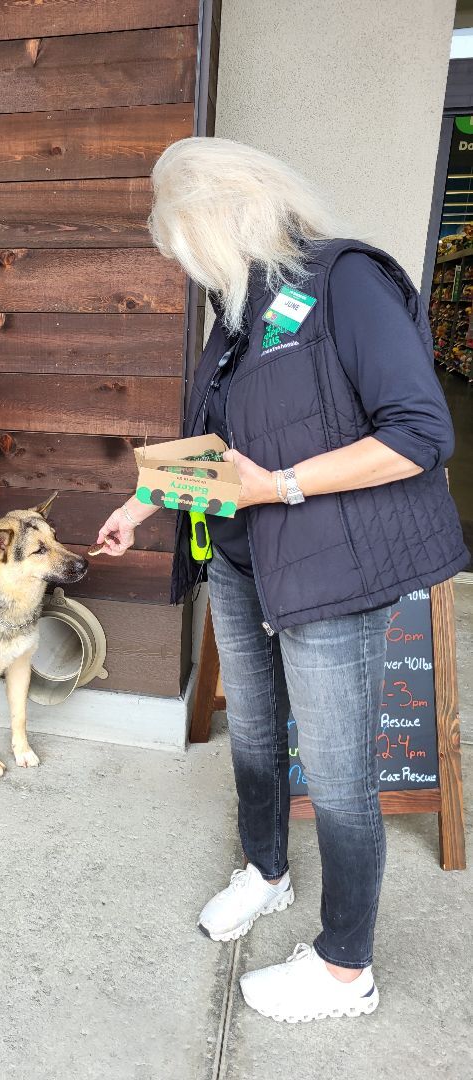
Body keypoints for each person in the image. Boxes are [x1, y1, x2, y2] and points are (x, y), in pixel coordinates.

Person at [96, 138, 468, 1023]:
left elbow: (419, 430)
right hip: (239, 562)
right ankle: (265, 871)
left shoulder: (345, 280)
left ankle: (348, 969)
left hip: (332, 570)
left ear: (228, 212)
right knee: (257, 740)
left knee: (340, 777)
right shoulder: (240, 311)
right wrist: (143, 502)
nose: (187, 267)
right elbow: (220, 448)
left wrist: (283, 486)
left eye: (186, 241)